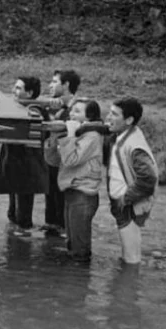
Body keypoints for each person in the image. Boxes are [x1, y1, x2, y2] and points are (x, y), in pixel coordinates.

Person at [44, 99, 106, 262]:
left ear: (89, 117)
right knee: (71, 244)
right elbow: (53, 161)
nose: (71, 114)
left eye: (77, 111)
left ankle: (81, 275)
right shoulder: (75, 134)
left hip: (83, 195)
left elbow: (71, 160)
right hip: (71, 191)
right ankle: (74, 276)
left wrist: (70, 136)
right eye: (71, 110)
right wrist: (55, 137)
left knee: (79, 250)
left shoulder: (92, 136)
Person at [104, 97, 158, 265]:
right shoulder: (122, 135)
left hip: (130, 206)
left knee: (131, 259)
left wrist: (125, 199)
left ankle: (130, 280)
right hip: (124, 203)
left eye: (114, 114)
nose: (108, 117)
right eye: (109, 113)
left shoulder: (134, 145)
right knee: (127, 257)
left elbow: (148, 179)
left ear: (128, 120)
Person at [0, 76, 49, 236]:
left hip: (27, 166)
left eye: (18, 88)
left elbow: (41, 134)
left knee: (23, 216)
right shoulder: (16, 107)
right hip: (13, 163)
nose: (13, 91)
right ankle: (15, 242)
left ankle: (23, 243)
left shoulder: (35, 110)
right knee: (13, 213)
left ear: (30, 93)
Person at [42, 69, 81, 238]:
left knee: (62, 198)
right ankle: (52, 229)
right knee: (51, 197)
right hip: (51, 158)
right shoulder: (54, 105)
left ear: (66, 85)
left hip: (66, 160)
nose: (50, 85)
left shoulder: (77, 107)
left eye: (54, 82)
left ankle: (65, 231)